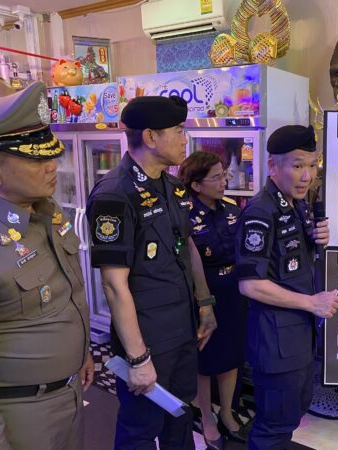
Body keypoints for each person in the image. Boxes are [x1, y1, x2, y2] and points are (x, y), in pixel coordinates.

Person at [87, 96, 217, 450]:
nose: (185, 139)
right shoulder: (115, 194)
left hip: (182, 328)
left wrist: (205, 303)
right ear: (150, 136)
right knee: (140, 429)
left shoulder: (172, 187)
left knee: (179, 415)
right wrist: (138, 357)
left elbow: (187, 246)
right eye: (179, 130)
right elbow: (113, 284)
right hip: (147, 337)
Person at [0, 80, 93, 449]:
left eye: (52, 153)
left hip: (69, 394)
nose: (53, 166)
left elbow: (67, 291)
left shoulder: (46, 211)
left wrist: (82, 351)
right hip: (19, 414)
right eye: (37, 158)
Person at [235, 125, 338, 450]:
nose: (307, 176)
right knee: (273, 427)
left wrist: (316, 241)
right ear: (273, 166)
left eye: (312, 165)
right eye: (297, 166)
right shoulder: (260, 211)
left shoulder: (296, 205)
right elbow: (250, 285)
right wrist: (312, 303)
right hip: (276, 342)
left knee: (290, 416)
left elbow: (290, 265)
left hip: (299, 338)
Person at [178, 152, 248, 449]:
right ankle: (206, 417)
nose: (223, 182)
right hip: (203, 294)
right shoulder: (184, 214)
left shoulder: (231, 208)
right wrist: (202, 299)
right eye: (216, 178)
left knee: (231, 355)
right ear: (196, 185)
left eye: (224, 175)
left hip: (234, 290)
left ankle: (227, 412)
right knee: (205, 361)